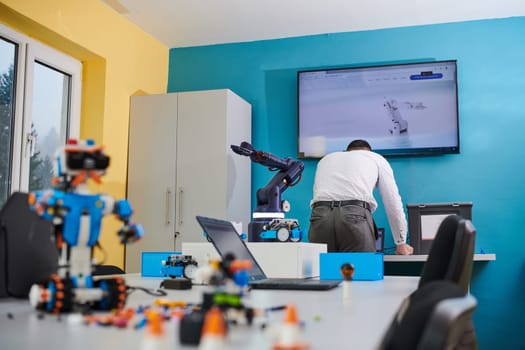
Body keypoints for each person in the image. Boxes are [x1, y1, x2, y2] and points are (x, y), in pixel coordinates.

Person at [308, 139, 413, 255]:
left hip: (320, 215)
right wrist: (401, 242)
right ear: (369, 151)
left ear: (347, 151)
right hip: (354, 216)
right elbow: (392, 202)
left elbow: (317, 193)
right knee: (361, 271)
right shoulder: (376, 158)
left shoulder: (326, 159)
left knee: (322, 271)